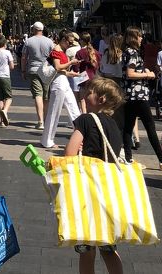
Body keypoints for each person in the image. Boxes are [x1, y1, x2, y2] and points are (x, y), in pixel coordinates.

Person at [64, 77, 125, 274]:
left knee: (86, 249)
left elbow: (69, 155)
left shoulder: (86, 120)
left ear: (101, 98)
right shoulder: (114, 125)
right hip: (108, 194)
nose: (85, 94)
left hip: (88, 193)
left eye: (89, 92)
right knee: (108, 248)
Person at [121, 27, 162, 171]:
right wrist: (148, 75)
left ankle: (128, 158)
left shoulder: (127, 52)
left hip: (129, 94)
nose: (142, 39)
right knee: (150, 127)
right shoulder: (133, 53)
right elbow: (130, 73)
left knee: (128, 127)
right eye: (140, 36)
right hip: (138, 95)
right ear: (134, 37)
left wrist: (143, 71)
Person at [41, 31, 81, 150]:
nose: (70, 45)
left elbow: (59, 70)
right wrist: (71, 62)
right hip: (58, 84)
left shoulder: (60, 51)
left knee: (74, 109)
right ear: (63, 39)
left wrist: (70, 74)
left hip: (62, 82)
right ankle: (47, 140)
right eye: (69, 42)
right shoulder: (56, 51)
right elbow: (57, 67)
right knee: (54, 112)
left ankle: (81, 134)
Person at [20, 22, 54, 130]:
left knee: (38, 95)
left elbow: (24, 57)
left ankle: (40, 121)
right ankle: (46, 120)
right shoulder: (49, 41)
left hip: (33, 70)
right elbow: (53, 56)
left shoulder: (28, 41)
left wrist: (23, 70)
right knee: (46, 96)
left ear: (34, 29)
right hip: (46, 70)